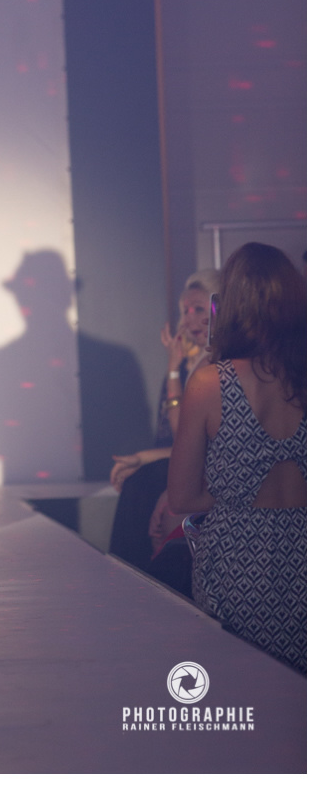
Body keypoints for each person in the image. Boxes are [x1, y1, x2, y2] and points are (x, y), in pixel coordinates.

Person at [168, 242, 306, 672]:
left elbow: (182, 497)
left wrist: (237, 494)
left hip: (239, 563)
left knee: (244, 686)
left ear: (229, 305)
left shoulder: (210, 383)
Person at [106, 272, 215, 580]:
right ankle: (126, 576)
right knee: (139, 479)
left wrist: (172, 371)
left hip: (206, 464)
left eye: (199, 309)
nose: (190, 319)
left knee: (144, 483)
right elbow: (178, 440)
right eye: (185, 311)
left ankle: (133, 578)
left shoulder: (213, 363)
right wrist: (142, 457)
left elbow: (187, 436)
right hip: (186, 456)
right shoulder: (189, 362)